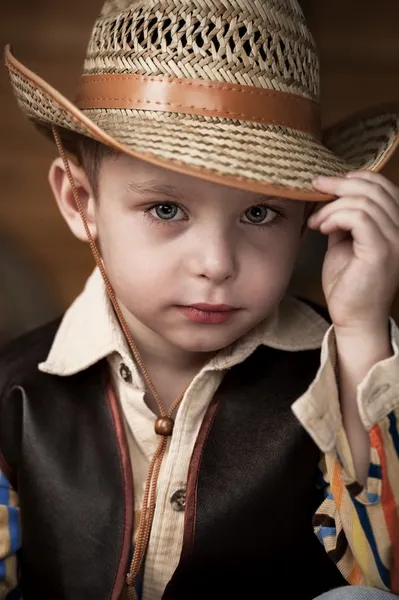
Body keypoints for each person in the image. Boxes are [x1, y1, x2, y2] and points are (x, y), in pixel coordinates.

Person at [1, 0, 399, 598]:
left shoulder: (341, 370)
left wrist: (364, 329)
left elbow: (384, 571)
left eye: (260, 213)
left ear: (310, 219)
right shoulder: (14, 395)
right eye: (166, 209)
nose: (217, 263)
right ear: (80, 202)